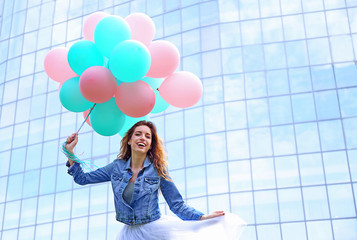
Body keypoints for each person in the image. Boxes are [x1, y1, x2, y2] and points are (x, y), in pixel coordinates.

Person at [64, 120, 245, 239]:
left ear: (150, 144)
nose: (142, 137)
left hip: (156, 230)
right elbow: (82, 179)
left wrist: (203, 216)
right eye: (138, 134)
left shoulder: (158, 170)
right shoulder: (116, 167)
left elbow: (177, 204)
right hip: (129, 234)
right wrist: (70, 152)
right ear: (129, 140)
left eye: (147, 136)